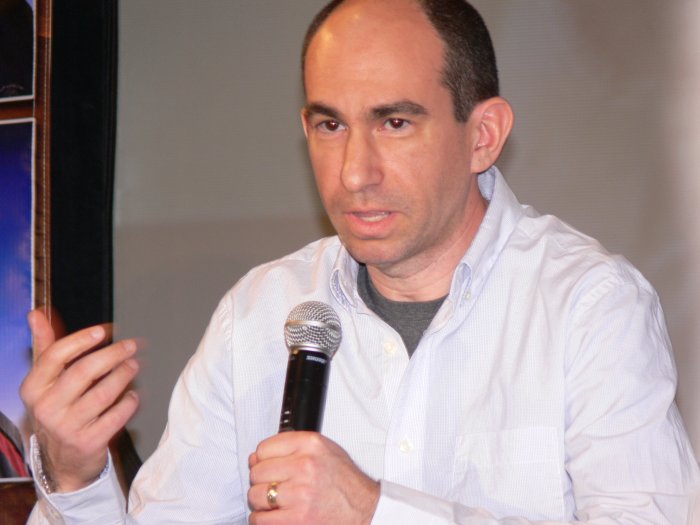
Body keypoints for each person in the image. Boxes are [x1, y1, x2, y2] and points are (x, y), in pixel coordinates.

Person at [21, 0, 700, 523]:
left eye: (394, 122)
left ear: (483, 136)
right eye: (331, 125)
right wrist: (76, 478)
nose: (353, 173)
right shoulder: (259, 312)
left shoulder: (589, 304)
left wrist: (376, 510)